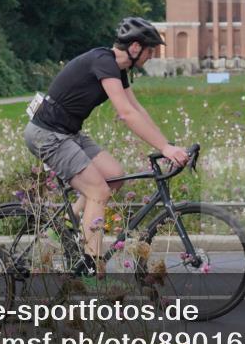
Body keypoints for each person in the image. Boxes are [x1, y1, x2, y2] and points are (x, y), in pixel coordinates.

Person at [23, 17, 188, 277]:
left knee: (113, 175)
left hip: (68, 132)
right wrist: (166, 149)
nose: (152, 56)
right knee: (98, 191)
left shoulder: (117, 70)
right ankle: (91, 267)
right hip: (47, 134)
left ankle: (65, 226)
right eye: (150, 50)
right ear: (135, 48)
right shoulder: (105, 63)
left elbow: (137, 109)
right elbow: (125, 113)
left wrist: (167, 144)